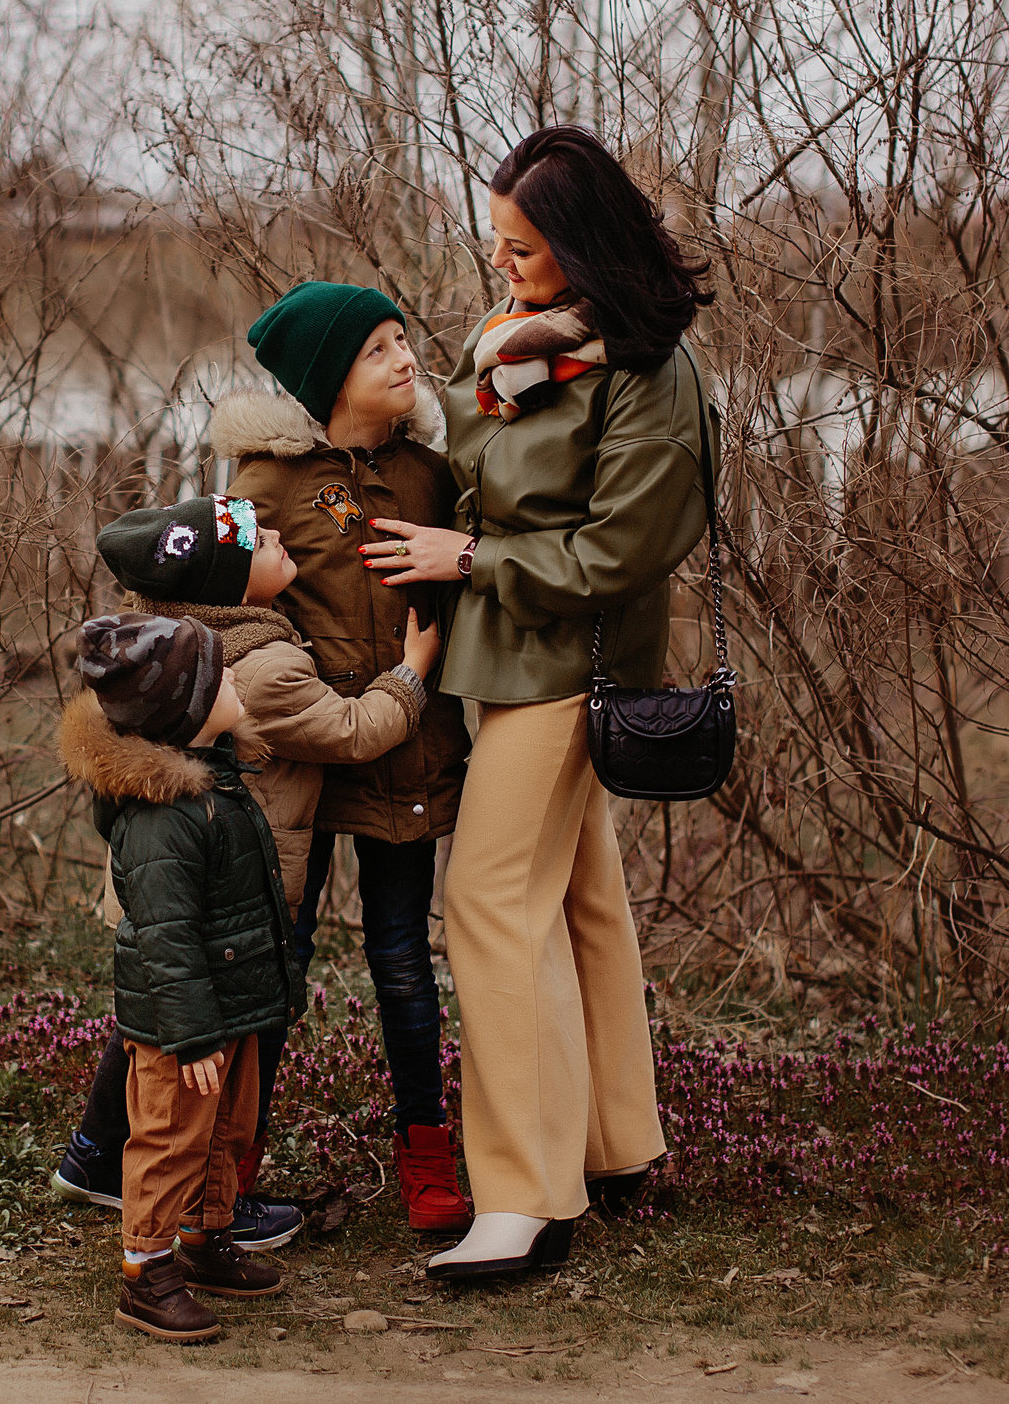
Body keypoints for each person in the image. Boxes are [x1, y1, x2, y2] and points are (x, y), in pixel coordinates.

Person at [363, 125, 719, 1280]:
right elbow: (481, 474)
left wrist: (467, 562)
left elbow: (625, 551)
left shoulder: (649, 373)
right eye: (496, 240)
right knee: (577, 900)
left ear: (580, 245)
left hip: (576, 661)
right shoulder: (521, 347)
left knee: (488, 895)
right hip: (501, 654)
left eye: (519, 245)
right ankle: (615, 1146)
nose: (499, 261)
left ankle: (525, 1197)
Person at [52, 486, 446, 1240]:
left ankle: (93, 1157)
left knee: (151, 1016)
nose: (280, 541)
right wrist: (413, 670)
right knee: (216, 1043)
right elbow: (356, 729)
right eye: (262, 543)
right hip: (224, 886)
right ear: (231, 589)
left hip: (161, 878)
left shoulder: (175, 643)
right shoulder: (259, 668)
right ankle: (205, 1203)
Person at [215, 280, 476, 1232]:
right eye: (378, 350)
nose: (406, 359)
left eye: (403, 340)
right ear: (331, 380)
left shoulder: (431, 476)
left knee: (404, 959)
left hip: (407, 753)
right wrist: (281, 689)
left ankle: (427, 1155)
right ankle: (228, 1169)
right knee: (278, 963)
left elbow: (474, 576)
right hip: (299, 766)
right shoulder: (266, 485)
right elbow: (226, 606)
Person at [65, 611, 300, 1342]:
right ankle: (146, 1268)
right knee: (169, 1139)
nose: (237, 677)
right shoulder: (163, 817)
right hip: (182, 1025)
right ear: (189, 713)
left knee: (225, 1130)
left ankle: (204, 1237)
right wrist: (193, 1035)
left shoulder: (219, 779)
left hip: (232, 1007)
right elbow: (166, 939)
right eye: (222, 675)